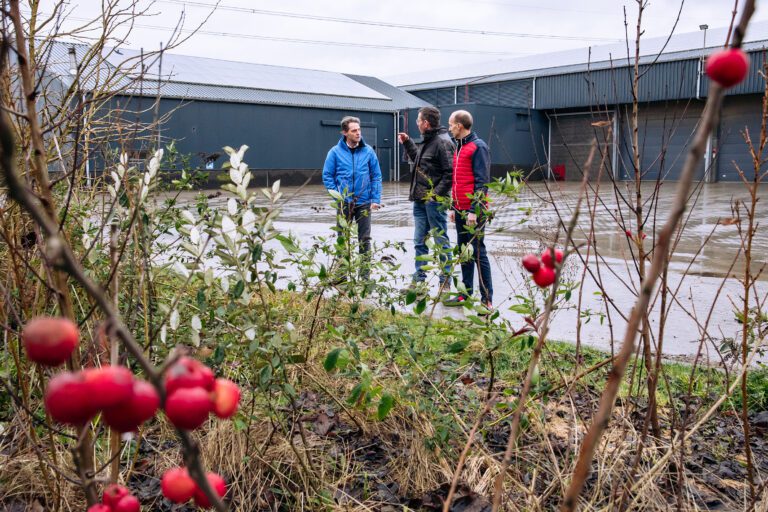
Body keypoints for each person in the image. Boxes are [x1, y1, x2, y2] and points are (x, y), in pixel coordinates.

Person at [397, 106, 454, 292]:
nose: (417, 124)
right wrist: (407, 143)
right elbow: (421, 163)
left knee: (440, 241)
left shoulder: (443, 143)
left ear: (425, 123)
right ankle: (418, 283)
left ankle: (444, 284)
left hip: (433, 202)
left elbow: (449, 174)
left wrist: (434, 197)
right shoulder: (428, 141)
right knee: (420, 241)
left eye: (418, 121)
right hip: (420, 201)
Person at [444, 110, 493, 311]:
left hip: (474, 211)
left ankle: (486, 300)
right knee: (464, 252)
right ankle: (465, 294)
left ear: (459, 126)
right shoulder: (459, 146)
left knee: (478, 253)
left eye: (450, 124)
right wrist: (453, 206)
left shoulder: (478, 147)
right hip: (460, 208)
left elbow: (482, 183)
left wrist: (474, 210)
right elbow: (458, 181)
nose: (448, 128)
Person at [322, 116, 382, 278]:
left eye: (359, 130)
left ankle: (364, 277)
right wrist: (338, 196)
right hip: (344, 203)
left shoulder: (368, 151)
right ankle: (341, 276)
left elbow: (376, 176)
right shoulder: (334, 153)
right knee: (343, 239)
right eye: (354, 130)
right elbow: (328, 176)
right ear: (344, 132)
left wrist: (375, 199)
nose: (358, 133)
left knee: (365, 240)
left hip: (364, 203)